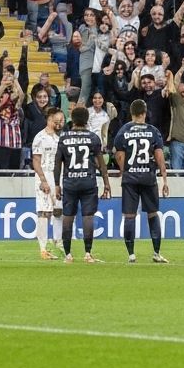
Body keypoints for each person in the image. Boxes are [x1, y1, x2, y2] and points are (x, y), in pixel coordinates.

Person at [113, 98, 170, 264]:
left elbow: (119, 155)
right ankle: (156, 253)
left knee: (129, 215)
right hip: (148, 178)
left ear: (131, 113)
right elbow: (159, 157)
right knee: (152, 213)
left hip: (130, 178)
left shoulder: (124, 130)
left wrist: (126, 171)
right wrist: (164, 179)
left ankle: (131, 255)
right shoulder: (153, 131)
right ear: (145, 113)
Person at [54, 105, 111, 264]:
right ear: (87, 120)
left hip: (70, 182)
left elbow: (58, 163)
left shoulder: (64, 138)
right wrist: (106, 183)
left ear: (72, 120)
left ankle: (68, 255)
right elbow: (101, 163)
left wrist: (57, 184)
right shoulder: (93, 138)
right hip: (88, 181)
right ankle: (87, 253)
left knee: (68, 216)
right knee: (88, 216)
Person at [31, 106, 65, 260]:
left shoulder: (59, 138)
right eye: (58, 119)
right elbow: (36, 160)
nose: (61, 122)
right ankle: (43, 248)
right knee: (44, 212)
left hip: (58, 176)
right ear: (50, 119)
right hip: (44, 175)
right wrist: (43, 180)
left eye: (62, 120)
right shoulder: (40, 137)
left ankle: (58, 241)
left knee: (58, 210)